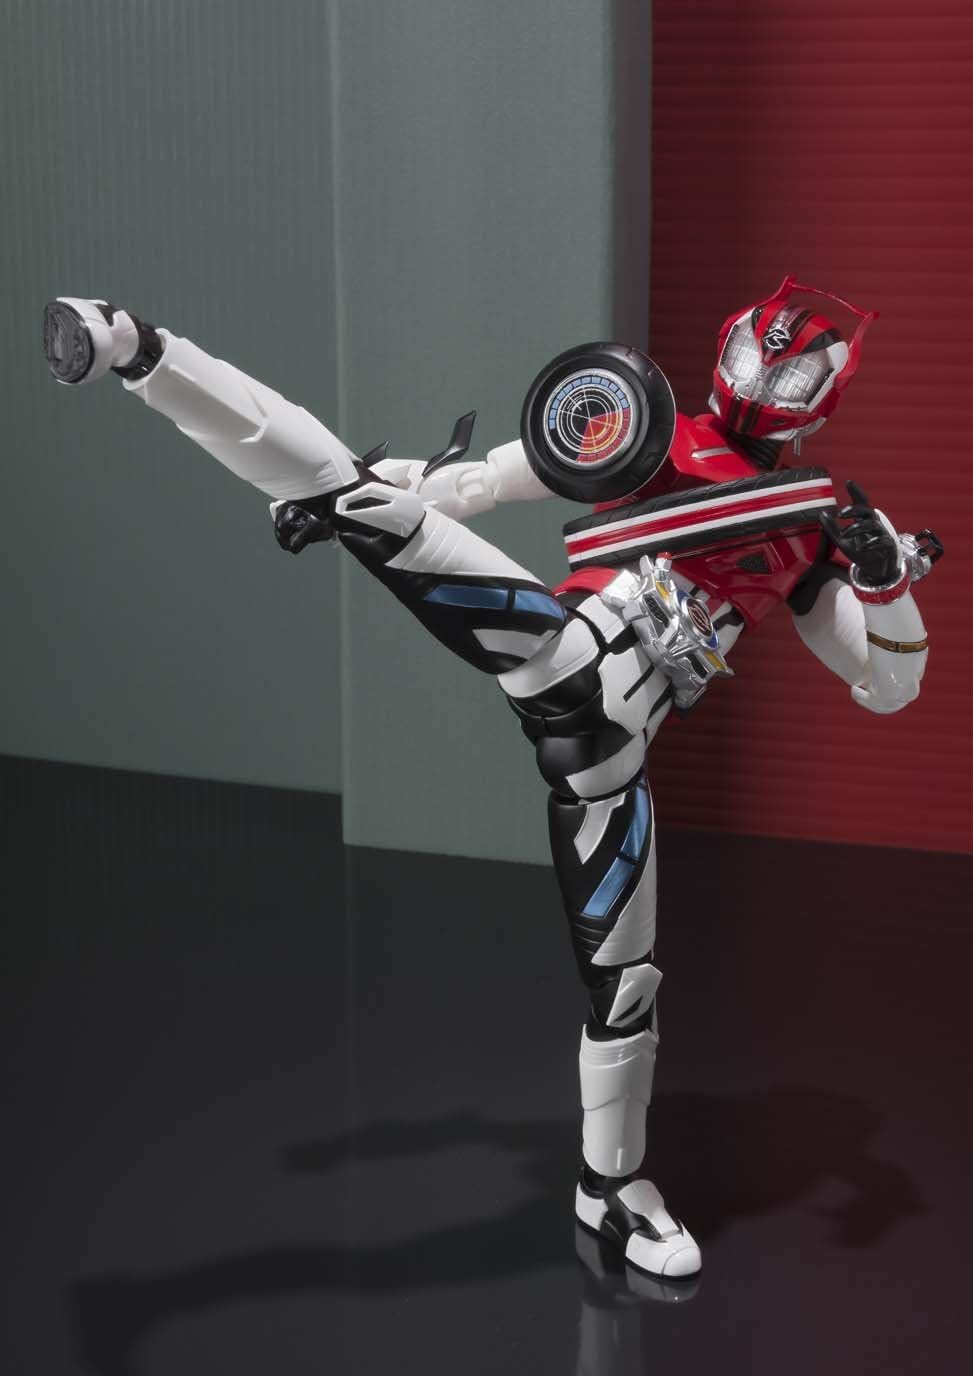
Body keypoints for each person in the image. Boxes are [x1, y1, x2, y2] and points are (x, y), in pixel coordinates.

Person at [42, 281, 941, 1280]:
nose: (763, 380)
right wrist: (362, 500)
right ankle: (138, 346)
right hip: (562, 655)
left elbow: (889, 685)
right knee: (360, 499)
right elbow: (474, 484)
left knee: (625, 989)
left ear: (821, 394)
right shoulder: (651, 431)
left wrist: (883, 582)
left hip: (610, 761)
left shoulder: (812, 530)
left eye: (789, 372)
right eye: (755, 357)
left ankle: (610, 1188)